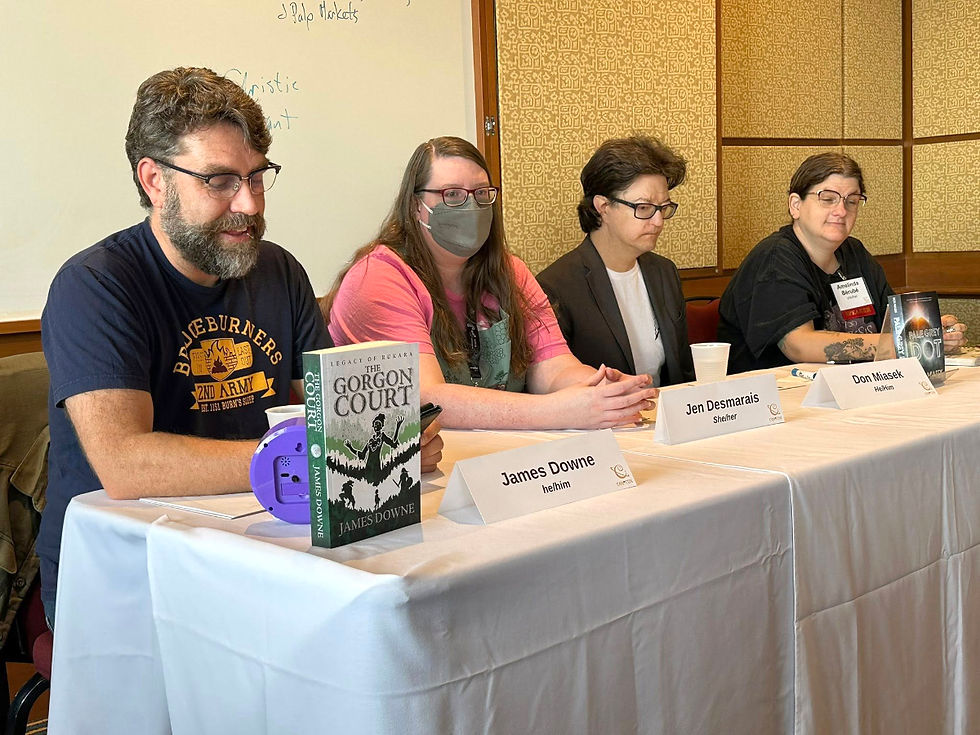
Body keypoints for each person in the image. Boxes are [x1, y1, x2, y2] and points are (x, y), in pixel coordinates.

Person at [39, 67, 443, 623]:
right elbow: (125, 463)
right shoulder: (96, 285)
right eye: (220, 180)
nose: (250, 205)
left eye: (256, 177)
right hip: (133, 576)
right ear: (154, 180)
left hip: (264, 546)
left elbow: (328, 413)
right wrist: (331, 464)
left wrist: (389, 447)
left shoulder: (277, 270)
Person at [325, 136, 657, 430]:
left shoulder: (511, 272)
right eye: (452, 194)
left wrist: (600, 389)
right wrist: (555, 411)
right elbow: (426, 397)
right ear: (416, 206)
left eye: (481, 194)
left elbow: (553, 367)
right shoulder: (380, 277)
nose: (470, 206)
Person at [718, 152, 967, 373]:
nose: (841, 211)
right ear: (796, 205)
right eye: (828, 199)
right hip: (784, 402)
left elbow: (891, 325)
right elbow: (798, 344)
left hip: (860, 386)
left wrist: (928, 331)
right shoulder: (775, 258)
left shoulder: (854, 252)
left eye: (851, 201)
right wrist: (900, 345)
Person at [537, 135, 695, 387]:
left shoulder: (663, 272)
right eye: (643, 208)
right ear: (603, 206)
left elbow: (683, 373)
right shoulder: (556, 286)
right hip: (602, 421)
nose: (658, 221)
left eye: (663, 207)